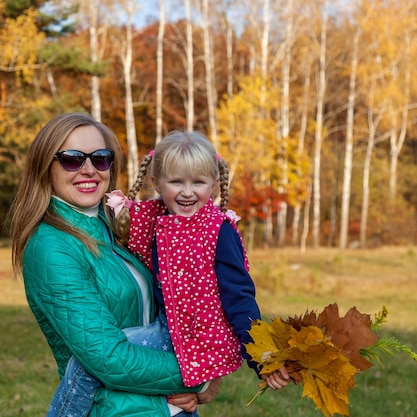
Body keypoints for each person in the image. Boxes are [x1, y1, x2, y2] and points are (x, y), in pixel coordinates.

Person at [46, 129, 291, 417]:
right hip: (170, 329)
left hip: (198, 339)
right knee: (98, 361)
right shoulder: (156, 218)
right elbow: (120, 231)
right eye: (176, 182)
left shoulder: (218, 231)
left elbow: (240, 299)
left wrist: (262, 359)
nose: (187, 192)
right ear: (157, 183)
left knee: (88, 363)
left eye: (198, 182)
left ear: (213, 183)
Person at [8, 113, 221, 417]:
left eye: (100, 158)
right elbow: (109, 358)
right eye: (71, 159)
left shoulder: (114, 230)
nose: (88, 170)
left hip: (163, 406)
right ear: (46, 167)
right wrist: (200, 375)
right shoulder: (51, 247)